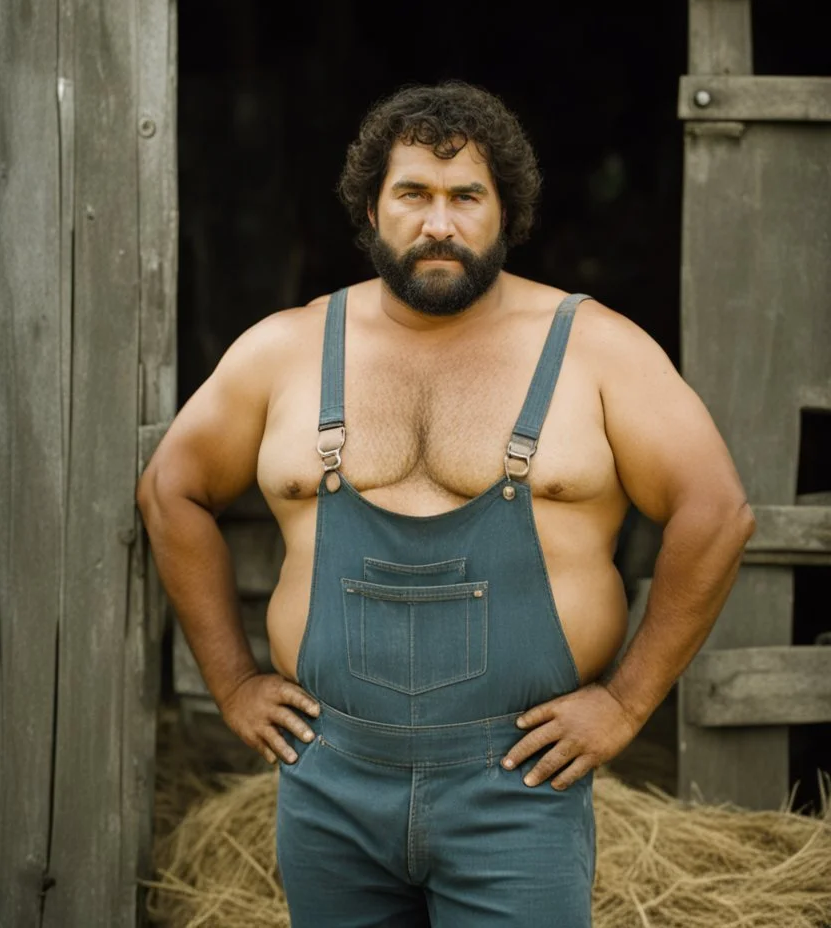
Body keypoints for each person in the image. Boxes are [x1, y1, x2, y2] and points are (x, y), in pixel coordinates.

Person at [138, 81, 755, 927]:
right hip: (329, 782)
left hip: (521, 783)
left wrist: (625, 703)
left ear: (508, 210)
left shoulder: (597, 349)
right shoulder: (284, 349)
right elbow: (171, 490)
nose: (440, 223)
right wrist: (234, 681)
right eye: (414, 195)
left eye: (467, 196)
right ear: (371, 207)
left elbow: (716, 512)